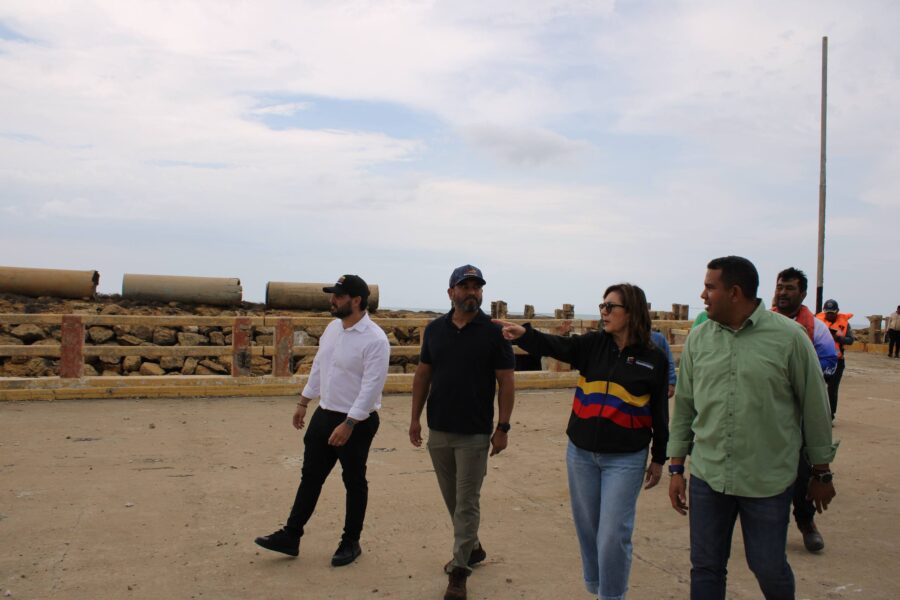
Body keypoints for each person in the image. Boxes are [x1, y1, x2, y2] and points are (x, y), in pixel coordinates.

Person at [668, 256, 837, 600]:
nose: (703, 295)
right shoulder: (699, 339)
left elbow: (815, 408)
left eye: (710, 287)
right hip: (709, 476)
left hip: (766, 480)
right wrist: (676, 467)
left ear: (734, 292)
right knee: (706, 567)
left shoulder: (789, 338)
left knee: (767, 566)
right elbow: (684, 405)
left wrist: (821, 472)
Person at [495, 283, 669, 600]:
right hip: (581, 454)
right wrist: (524, 335)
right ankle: (598, 586)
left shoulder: (653, 358)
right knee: (588, 529)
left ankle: (611, 595)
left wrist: (659, 458)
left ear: (631, 312)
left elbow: (660, 412)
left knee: (613, 533)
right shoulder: (592, 345)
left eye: (610, 307)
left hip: (626, 458)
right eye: (602, 306)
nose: (603, 312)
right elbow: (556, 345)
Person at [255, 274, 390, 566]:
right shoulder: (332, 328)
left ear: (357, 300)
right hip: (324, 414)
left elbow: (371, 387)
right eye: (333, 295)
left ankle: (351, 541)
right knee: (311, 477)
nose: (332, 300)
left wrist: (350, 423)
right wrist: (304, 401)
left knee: (354, 481)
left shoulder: (376, 340)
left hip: (356, 422)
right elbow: (319, 366)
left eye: (339, 296)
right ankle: (291, 535)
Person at [409, 264, 515, 600]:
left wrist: (503, 427)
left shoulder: (494, 332)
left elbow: (506, 381)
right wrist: (414, 419)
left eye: (476, 287)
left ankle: (459, 572)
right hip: (439, 429)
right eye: (465, 286)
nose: (472, 292)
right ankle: (474, 548)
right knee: (453, 500)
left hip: (475, 433)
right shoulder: (434, 330)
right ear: (451, 292)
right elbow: (423, 375)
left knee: (467, 502)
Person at [771, 267, 837, 553]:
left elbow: (830, 361)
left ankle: (806, 522)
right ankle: (769, 528)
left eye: (790, 288)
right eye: (780, 287)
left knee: (801, 471)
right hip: (770, 411)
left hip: (800, 411)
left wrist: (798, 373)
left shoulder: (816, 328)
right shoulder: (763, 323)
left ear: (803, 293)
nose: (783, 293)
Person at [816, 299, 854, 419]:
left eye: (832, 312)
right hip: (820, 359)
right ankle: (816, 413)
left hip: (837, 361)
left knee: (832, 389)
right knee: (817, 387)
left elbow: (850, 340)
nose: (830, 315)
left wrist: (837, 338)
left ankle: (830, 415)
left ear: (837, 311)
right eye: (827, 312)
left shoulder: (845, 324)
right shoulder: (817, 322)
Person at [650, 330, 676, 398]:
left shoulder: (659, 338)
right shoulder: (628, 339)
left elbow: (669, 360)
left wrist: (671, 382)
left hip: (657, 389)